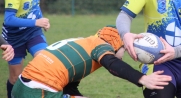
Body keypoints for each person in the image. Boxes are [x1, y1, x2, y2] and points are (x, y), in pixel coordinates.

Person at [11, 26, 172, 98]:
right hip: (39, 90)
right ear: (115, 43)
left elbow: (70, 88)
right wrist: (142, 78)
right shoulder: (100, 46)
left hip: (22, 87)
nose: (128, 51)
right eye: (125, 46)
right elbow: (113, 64)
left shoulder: (83, 44)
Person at [1, 0, 50, 98]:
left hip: (33, 32)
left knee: (45, 60)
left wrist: (42, 21)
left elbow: (36, 6)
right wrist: (36, 22)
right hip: (14, 36)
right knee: (15, 78)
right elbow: (9, 19)